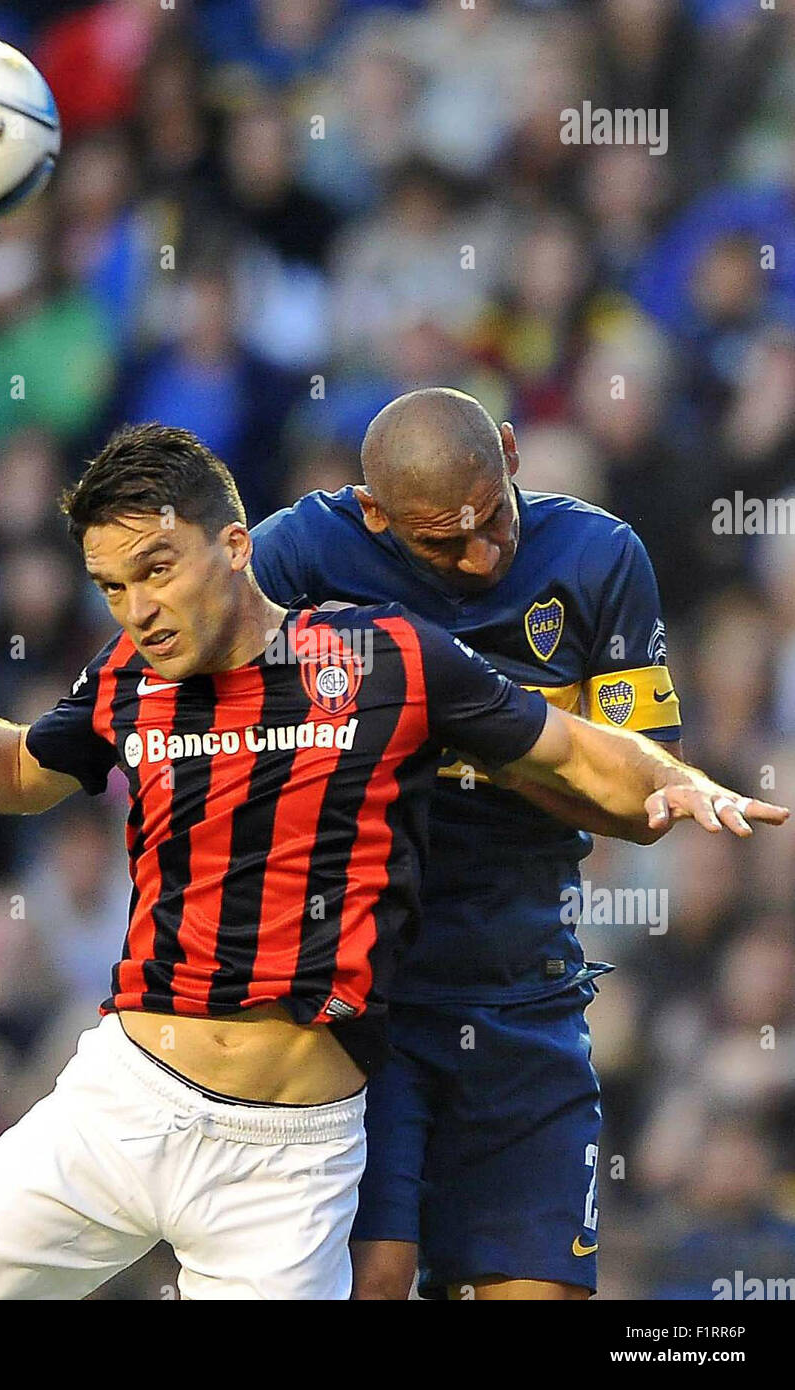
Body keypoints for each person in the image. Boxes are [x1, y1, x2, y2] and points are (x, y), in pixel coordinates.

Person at [0, 423, 785, 1302]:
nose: (138, 609)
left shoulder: (386, 661)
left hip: (291, 1161)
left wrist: (675, 778)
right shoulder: (132, 677)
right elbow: (21, 764)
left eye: (156, 571)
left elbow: (573, 751)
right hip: (124, 1101)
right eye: (112, 587)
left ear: (236, 546)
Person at [251, 387, 697, 1299]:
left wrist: (464, 727)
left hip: (521, 987)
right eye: (441, 543)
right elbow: (170, 687)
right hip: (360, 1000)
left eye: (492, 517)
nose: (482, 554)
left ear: (508, 452)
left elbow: (650, 799)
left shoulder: (600, 557)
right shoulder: (299, 554)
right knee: (368, 1280)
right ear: (374, 514)